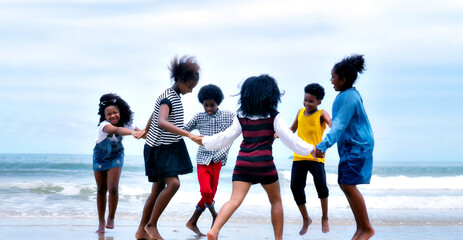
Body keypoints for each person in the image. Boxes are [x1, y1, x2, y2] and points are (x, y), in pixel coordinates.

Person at [193, 74, 317, 240]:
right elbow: (290, 139)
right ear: (271, 95)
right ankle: (278, 239)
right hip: (264, 164)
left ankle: (214, 230)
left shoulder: (241, 115)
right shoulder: (274, 115)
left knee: (234, 201)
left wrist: (205, 141)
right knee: (276, 201)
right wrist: (311, 149)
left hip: (244, 163)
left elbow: (225, 138)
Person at [133, 55, 200, 240]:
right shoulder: (168, 98)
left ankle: (141, 231)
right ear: (180, 80)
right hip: (160, 149)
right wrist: (188, 133)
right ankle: (151, 225)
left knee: (157, 189)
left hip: (166, 146)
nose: (191, 91)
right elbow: (162, 121)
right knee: (174, 184)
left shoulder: (171, 96)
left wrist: (145, 130)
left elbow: (154, 116)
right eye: (190, 87)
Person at [314, 54, 375, 240]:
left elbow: (338, 125)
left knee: (348, 184)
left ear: (343, 79)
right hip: (353, 147)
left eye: (333, 77)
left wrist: (323, 144)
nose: (331, 80)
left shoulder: (348, 97)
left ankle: (366, 228)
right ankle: (361, 228)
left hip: (357, 147)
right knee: (345, 184)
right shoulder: (348, 95)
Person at [184, 84, 235, 236]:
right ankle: (215, 215)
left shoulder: (228, 116)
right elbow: (184, 129)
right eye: (205, 105)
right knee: (206, 190)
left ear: (218, 102)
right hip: (202, 158)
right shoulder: (199, 117)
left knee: (210, 194)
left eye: (212, 105)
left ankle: (192, 221)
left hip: (218, 159)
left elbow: (237, 130)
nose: (208, 108)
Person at [93, 93, 140, 233]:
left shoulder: (127, 124)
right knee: (101, 189)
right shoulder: (104, 125)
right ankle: (101, 223)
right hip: (99, 157)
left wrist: (150, 136)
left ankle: (111, 217)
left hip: (116, 156)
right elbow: (117, 130)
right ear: (104, 116)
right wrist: (132, 133)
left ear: (120, 112)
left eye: (115, 112)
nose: (113, 116)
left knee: (113, 187)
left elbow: (142, 132)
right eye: (109, 114)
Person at [289, 83, 332, 235]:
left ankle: (325, 217)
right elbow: (292, 130)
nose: (307, 104)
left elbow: (331, 123)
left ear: (319, 102)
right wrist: (280, 133)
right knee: (295, 187)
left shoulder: (321, 114)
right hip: (299, 156)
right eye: (305, 100)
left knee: (321, 186)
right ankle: (306, 218)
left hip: (316, 157)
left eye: (311, 101)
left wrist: (334, 126)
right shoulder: (300, 112)